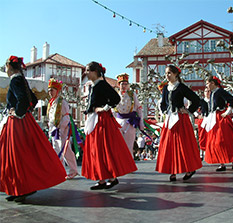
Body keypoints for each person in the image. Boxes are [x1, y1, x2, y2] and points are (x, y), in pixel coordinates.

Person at [0, 56, 66, 202]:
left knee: (16, 156)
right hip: (24, 122)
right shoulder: (21, 80)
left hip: (17, 123)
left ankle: (22, 188)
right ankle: (20, 188)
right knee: (22, 155)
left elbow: (23, 100)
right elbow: (33, 100)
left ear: (9, 67)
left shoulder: (15, 80)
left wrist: (16, 112)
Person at [82, 62, 137, 190]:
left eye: (88, 70)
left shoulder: (101, 84)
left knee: (103, 148)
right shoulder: (93, 86)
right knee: (97, 149)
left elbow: (115, 98)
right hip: (94, 119)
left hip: (102, 121)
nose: (86, 73)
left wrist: (104, 108)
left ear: (95, 71)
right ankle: (102, 179)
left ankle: (110, 177)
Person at [155, 65, 202, 181]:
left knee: (183, 144)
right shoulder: (166, 88)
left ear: (176, 74)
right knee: (169, 145)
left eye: (169, 73)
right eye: (166, 73)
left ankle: (189, 168)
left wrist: (188, 110)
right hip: (170, 118)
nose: (167, 75)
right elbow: (163, 103)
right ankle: (173, 170)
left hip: (180, 119)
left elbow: (196, 99)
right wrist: (165, 111)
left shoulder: (181, 87)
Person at [47, 78, 79, 180]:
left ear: (57, 90)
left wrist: (60, 127)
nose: (50, 92)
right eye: (49, 90)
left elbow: (66, 117)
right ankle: (59, 170)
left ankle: (73, 170)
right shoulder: (51, 103)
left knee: (66, 150)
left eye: (52, 90)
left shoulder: (62, 102)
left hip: (62, 130)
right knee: (56, 149)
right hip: (54, 130)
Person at [114, 73, 144, 156]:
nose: (124, 86)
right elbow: (112, 109)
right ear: (118, 84)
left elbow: (138, 107)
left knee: (129, 145)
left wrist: (141, 121)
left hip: (129, 122)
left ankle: (129, 165)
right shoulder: (115, 94)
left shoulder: (132, 94)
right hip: (118, 121)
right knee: (118, 145)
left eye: (126, 84)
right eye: (122, 84)